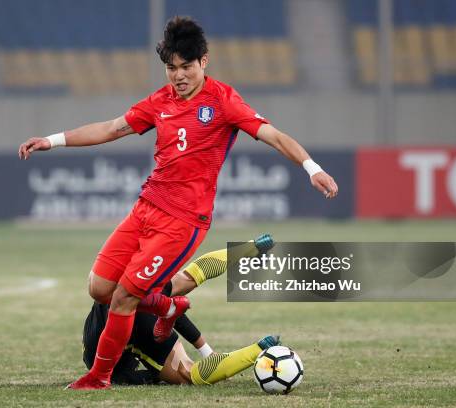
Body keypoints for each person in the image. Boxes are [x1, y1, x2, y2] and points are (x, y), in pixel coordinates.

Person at [18, 16, 338, 390]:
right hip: (145, 208)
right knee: (99, 289)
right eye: (171, 68)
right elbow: (111, 128)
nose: (178, 75)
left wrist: (311, 167)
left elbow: (274, 135)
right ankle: (164, 306)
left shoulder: (223, 100)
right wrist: (51, 141)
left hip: (182, 221)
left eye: (186, 66)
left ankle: (98, 377)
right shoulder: (160, 101)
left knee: (123, 299)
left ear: (204, 61)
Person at [81, 236, 278, 386]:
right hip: (133, 291)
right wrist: (205, 349)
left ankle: (258, 349)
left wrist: (205, 351)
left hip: (116, 322)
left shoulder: (97, 355)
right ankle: (248, 247)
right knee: (184, 279)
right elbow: (175, 313)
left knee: (187, 372)